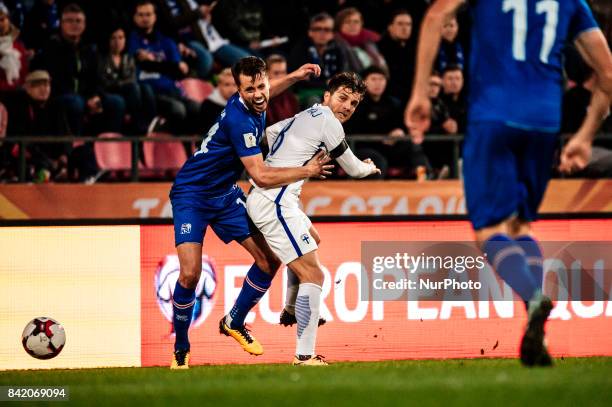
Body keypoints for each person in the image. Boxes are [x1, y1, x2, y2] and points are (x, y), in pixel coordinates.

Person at [406, 0, 612, 367]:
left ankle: (534, 296)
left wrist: (421, 91)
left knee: (489, 230)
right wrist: (584, 135)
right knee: (521, 226)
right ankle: (536, 331)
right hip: (546, 122)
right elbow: (608, 73)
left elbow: (438, 14)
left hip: (494, 116)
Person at [168, 56, 327, 369]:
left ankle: (234, 321)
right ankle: (181, 347)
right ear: (238, 90)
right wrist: (306, 169)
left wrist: (294, 75)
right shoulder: (239, 120)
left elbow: (270, 90)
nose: (259, 94)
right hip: (192, 195)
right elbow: (261, 176)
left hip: (224, 194)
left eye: (262, 86)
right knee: (189, 273)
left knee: (270, 258)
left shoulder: (258, 98)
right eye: (250, 89)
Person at [246, 72, 380, 365]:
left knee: (313, 240)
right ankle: (304, 357)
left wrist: (287, 158)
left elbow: (269, 135)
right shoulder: (328, 121)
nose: (347, 106)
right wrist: (370, 167)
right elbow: (355, 170)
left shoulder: (307, 114)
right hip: (275, 202)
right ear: (327, 96)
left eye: (354, 103)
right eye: (343, 98)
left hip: (274, 199)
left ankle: (293, 307)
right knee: (315, 275)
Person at [128, 0, 199, 135]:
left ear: (155, 17)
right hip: (151, 94)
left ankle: (191, 149)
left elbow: (179, 69)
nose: (145, 18)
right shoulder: (131, 39)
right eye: (141, 15)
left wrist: (154, 63)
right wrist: (167, 66)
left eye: (148, 14)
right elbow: (142, 63)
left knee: (197, 107)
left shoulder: (166, 41)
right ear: (134, 17)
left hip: (172, 89)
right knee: (178, 109)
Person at [345, 65, 429, 179]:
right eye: (374, 79)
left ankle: (426, 177)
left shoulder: (393, 103)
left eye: (381, 79)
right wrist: (382, 138)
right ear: (364, 82)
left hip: (389, 147)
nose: (378, 83)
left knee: (412, 147)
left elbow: (401, 125)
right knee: (378, 160)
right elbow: (353, 131)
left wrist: (399, 131)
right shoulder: (355, 103)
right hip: (362, 147)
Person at [3, 70, 68, 182]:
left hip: (52, 155)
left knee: (83, 153)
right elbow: (20, 137)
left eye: (47, 85)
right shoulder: (19, 105)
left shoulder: (56, 107)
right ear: (28, 89)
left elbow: (65, 134)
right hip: (30, 154)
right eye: (38, 85)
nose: (44, 89)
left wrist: (64, 154)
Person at [98, 27, 156, 135]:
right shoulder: (102, 58)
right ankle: (140, 126)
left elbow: (132, 78)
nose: (117, 42)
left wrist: (122, 83)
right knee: (133, 88)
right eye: (113, 38)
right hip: (110, 91)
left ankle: (150, 124)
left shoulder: (128, 58)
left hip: (127, 91)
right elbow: (104, 82)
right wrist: (121, 84)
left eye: (120, 38)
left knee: (146, 88)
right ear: (108, 40)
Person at [377, 9, 416, 105]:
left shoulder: (414, 48)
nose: (405, 28)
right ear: (390, 27)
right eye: (400, 24)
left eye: (408, 24)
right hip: (390, 98)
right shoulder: (379, 49)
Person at [0, 2, 27, 95]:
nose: (0, 24)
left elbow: (24, 73)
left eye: (2, 19)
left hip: (17, 92)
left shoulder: (18, 46)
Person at [198, 67, 237, 133]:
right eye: (227, 85)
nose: (231, 89)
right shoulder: (208, 105)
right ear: (219, 85)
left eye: (235, 85)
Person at [265, 54, 299, 126]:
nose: (281, 77)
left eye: (283, 72)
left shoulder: (290, 96)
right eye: (276, 73)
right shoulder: (261, 98)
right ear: (266, 74)